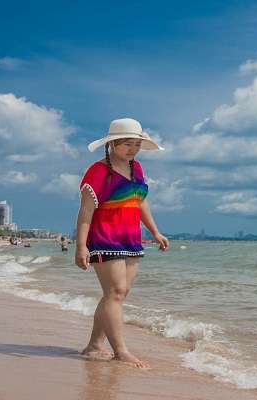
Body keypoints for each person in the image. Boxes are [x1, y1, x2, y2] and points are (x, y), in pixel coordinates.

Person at [74, 118, 169, 369]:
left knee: (118, 294)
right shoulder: (97, 171)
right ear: (112, 144)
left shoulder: (136, 169)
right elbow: (85, 212)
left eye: (137, 145)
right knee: (115, 293)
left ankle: (94, 346)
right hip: (104, 238)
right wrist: (80, 246)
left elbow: (140, 202)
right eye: (128, 144)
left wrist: (156, 232)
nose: (133, 149)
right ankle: (121, 351)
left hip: (131, 239)